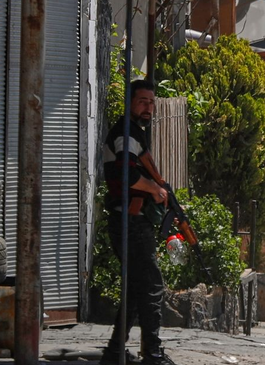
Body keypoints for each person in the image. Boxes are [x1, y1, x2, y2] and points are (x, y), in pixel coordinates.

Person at [101, 79, 174, 365]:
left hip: (130, 221)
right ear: (130, 102)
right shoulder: (127, 134)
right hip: (130, 222)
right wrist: (155, 189)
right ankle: (153, 354)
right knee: (151, 286)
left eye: (151, 102)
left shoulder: (135, 133)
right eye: (143, 101)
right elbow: (125, 176)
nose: (148, 107)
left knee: (134, 289)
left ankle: (114, 351)